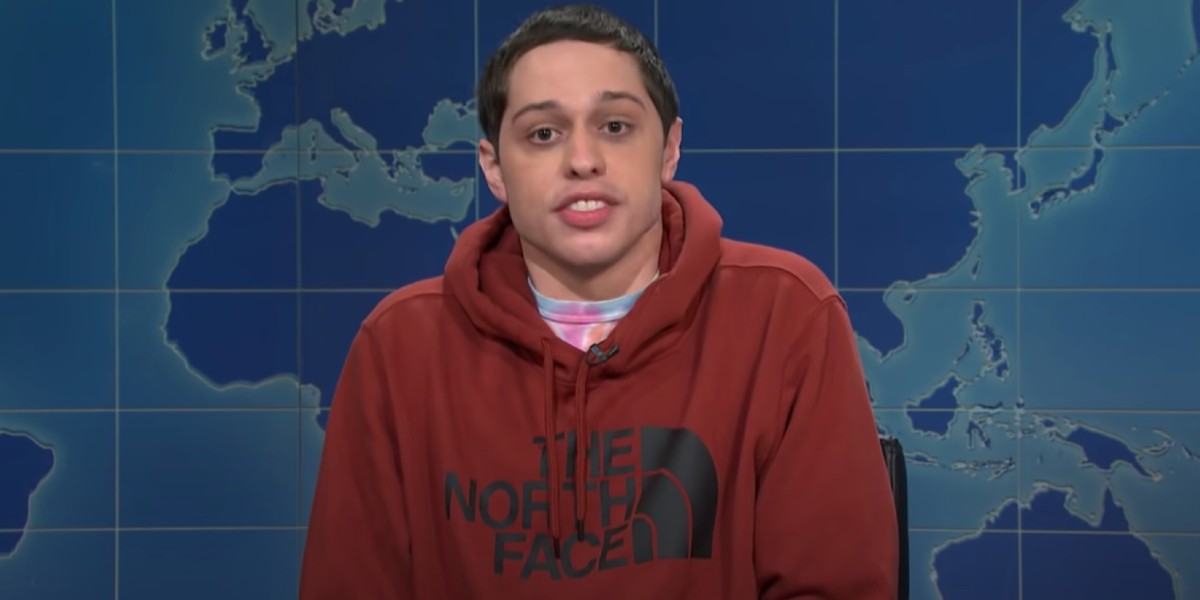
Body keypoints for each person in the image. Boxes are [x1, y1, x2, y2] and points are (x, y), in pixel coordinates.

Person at [299, 3, 899, 598]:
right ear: (494, 168)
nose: (583, 160)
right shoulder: (399, 347)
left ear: (669, 149)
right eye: (543, 133)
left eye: (615, 126)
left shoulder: (787, 316)